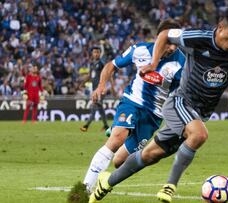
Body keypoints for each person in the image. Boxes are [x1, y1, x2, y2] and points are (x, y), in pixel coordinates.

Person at [89, 7, 228, 203]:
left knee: (150, 155)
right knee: (199, 134)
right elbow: (165, 34)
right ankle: (169, 187)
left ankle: (106, 183)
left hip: (199, 114)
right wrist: (154, 63)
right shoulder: (197, 38)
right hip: (179, 103)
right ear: (220, 28)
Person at [77, 19, 185, 195]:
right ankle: (85, 188)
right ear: (159, 38)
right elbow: (111, 65)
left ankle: (117, 131)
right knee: (116, 139)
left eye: (175, 43)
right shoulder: (140, 50)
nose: (172, 48)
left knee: (119, 161)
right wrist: (100, 86)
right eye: (168, 42)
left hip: (153, 116)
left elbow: (181, 93)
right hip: (132, 102)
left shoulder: (181, 63)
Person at [80, 46, 111, 132]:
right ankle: (106, 126)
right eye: (94, 52)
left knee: (94, 106)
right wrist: (82, 83)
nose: (96, 54)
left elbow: (108, 73)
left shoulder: (101, 63)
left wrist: (108, 86)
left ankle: (86, 126)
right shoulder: (92, 64)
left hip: (100, 89)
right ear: (92, 54)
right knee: (100, 109)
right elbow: (90, 75)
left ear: (100, 53)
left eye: (97, 52)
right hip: (94, 89)